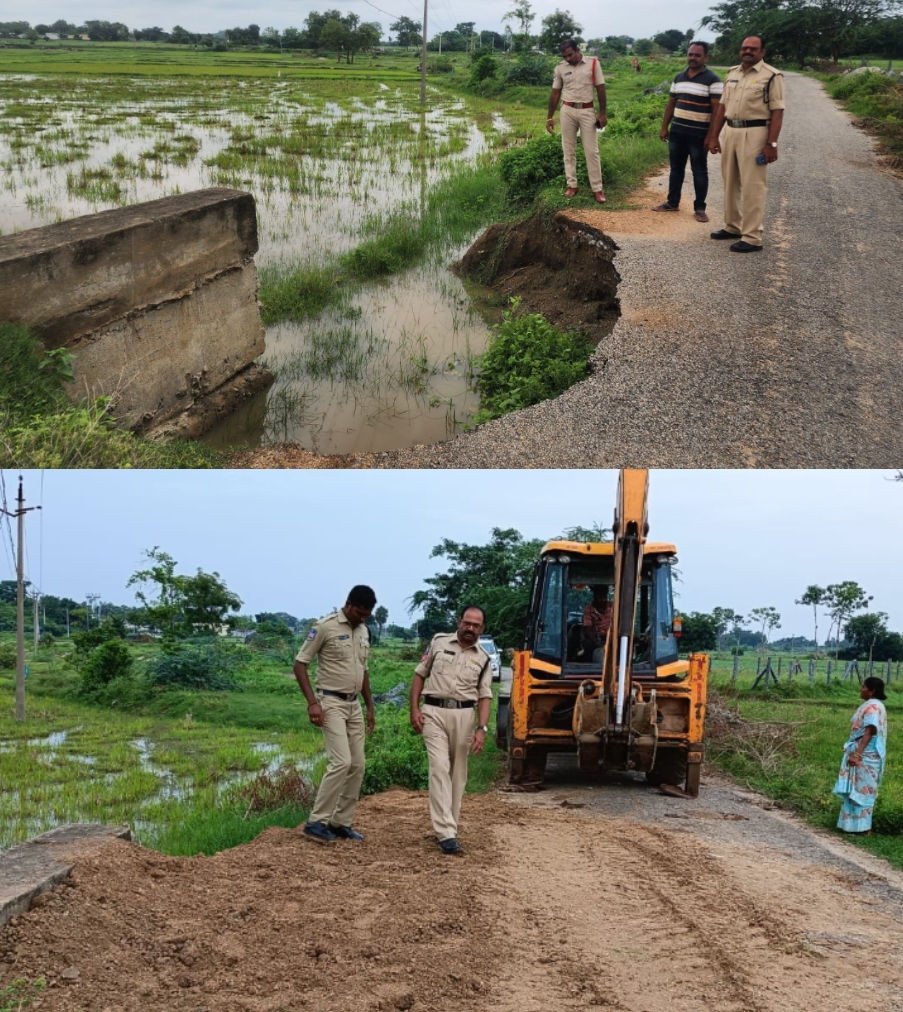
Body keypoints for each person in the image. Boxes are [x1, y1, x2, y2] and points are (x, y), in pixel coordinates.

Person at [294, 585, 377, 844]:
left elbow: (363, 671)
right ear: (349, 604)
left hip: (354, 706)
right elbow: (300, 664)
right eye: (360, 613)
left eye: (367, 615)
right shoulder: (325, 627)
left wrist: (369, 706)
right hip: (330, 702)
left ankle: (341, 822)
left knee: (358, 765)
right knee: (341, 762)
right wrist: (312, 703)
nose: (363, 618)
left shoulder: (363, 631)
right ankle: (316, 822)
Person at [409, 606, 493, 854]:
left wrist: (482, 728)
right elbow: (419, 675)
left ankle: (450, 826)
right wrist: (414, 709)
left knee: (458, 773)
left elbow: (485, 696)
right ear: (459, 622)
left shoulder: (484, 658)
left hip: (465, 716)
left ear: (482, 629)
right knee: (439, 766)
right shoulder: (438, 642)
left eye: (476, 625)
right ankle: (445, 832)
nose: (470, 628)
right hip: (433, 712)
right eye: (467, 623)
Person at [706, 35, 785, 253]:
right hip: (731, 131)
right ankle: (732, 226)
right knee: (730, 182)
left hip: (756, 133)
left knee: (753, 186)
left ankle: (752, 237)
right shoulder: (732, 73)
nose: (747, 51)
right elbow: (722, 107)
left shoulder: (771, 76)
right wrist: (714, 136)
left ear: (762, 52)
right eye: (744, 48)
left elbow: (777, 111)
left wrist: (772, 144)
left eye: (753, 48)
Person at [652, 41, 723, 223]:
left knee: (699, 170)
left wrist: (712, 136)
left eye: (697, 55)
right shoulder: (679, 77)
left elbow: (717, 111)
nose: (693, 58)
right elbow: (671, 104)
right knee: (676, 169)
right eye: (690, 54)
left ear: (705, 57)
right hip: (677, 132)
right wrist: (664, 127)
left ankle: (700, 208)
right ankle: (672, 202)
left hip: (699, 134)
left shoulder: (713, 80)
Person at [546, 39, 608, 203]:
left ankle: (597, 189)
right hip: (567, 110)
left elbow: (600, 89)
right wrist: (550, 117)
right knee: (568, 149)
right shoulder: (560, 68)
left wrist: (602, 114)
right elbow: (555, 93)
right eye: (564, 56)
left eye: (570, 55)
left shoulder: (593, 64)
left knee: (591, 151)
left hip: (587, 110)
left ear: (577, 50)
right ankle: (572, 185)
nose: (567, 58)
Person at [833, 677, 888, 834]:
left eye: (863, 687)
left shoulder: (873, 708)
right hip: (864, 755)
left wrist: (857, 754)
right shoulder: (873, 705)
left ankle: (864, 828)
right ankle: (851, 826)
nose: (860, 689)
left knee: (863, 790)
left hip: (866, 756)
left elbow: (870, 731)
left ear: (872, 691)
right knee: (855, 789)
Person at [582, 585, 612, 660]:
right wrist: (598, 643)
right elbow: (588, 629)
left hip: (611, 636)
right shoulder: (588, 610)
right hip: (595, 637)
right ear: (595, 597)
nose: (603, 600)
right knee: (588, 645)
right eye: (600, 597)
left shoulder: (613, 607)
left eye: (604, 597)